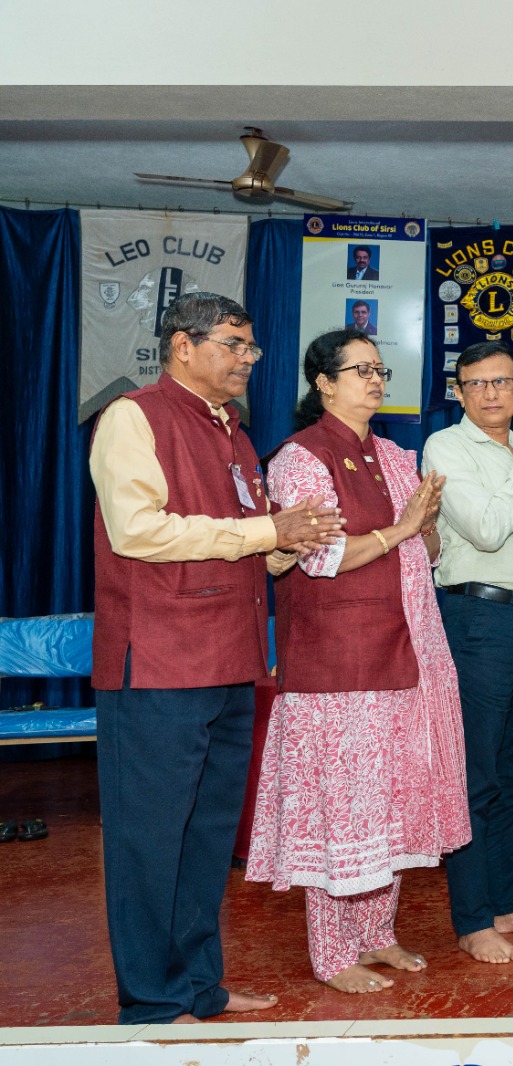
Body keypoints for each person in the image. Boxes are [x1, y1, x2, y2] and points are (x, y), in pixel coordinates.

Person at [89, 292, 341, 1024]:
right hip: (160, 665)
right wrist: (264, 531)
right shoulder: (135, 416)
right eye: (234, 344)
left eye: (252, 348)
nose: (246, 360)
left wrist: (288, 543)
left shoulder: (231, 429)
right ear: (182, 345)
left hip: (232, 663)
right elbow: (137, 531)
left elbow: (248, 547)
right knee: (149, 841)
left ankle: (199, 985)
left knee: (204, 841)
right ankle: (150, 1001)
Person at [246, 328, 470, 994]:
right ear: (323, 382)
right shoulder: (298, 460)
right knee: (345, 807)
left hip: (410, 652)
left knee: (392, 804)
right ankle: (332, 952)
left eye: (379, 370)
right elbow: (323, 557)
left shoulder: (398, 456)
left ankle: (377, 936)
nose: (375, 380)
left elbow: (426, 554)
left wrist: (424, 525)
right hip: (339, 662)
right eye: (359, 370)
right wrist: (401, 528)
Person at [423, 339, 513, 965]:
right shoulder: (445, 447)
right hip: (477, 618)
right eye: (476, 383)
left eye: (502, 382)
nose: (490, 393)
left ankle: (509, 900)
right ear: (458, 392)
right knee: (477, 775)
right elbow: (486, 530)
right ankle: (473, 918)